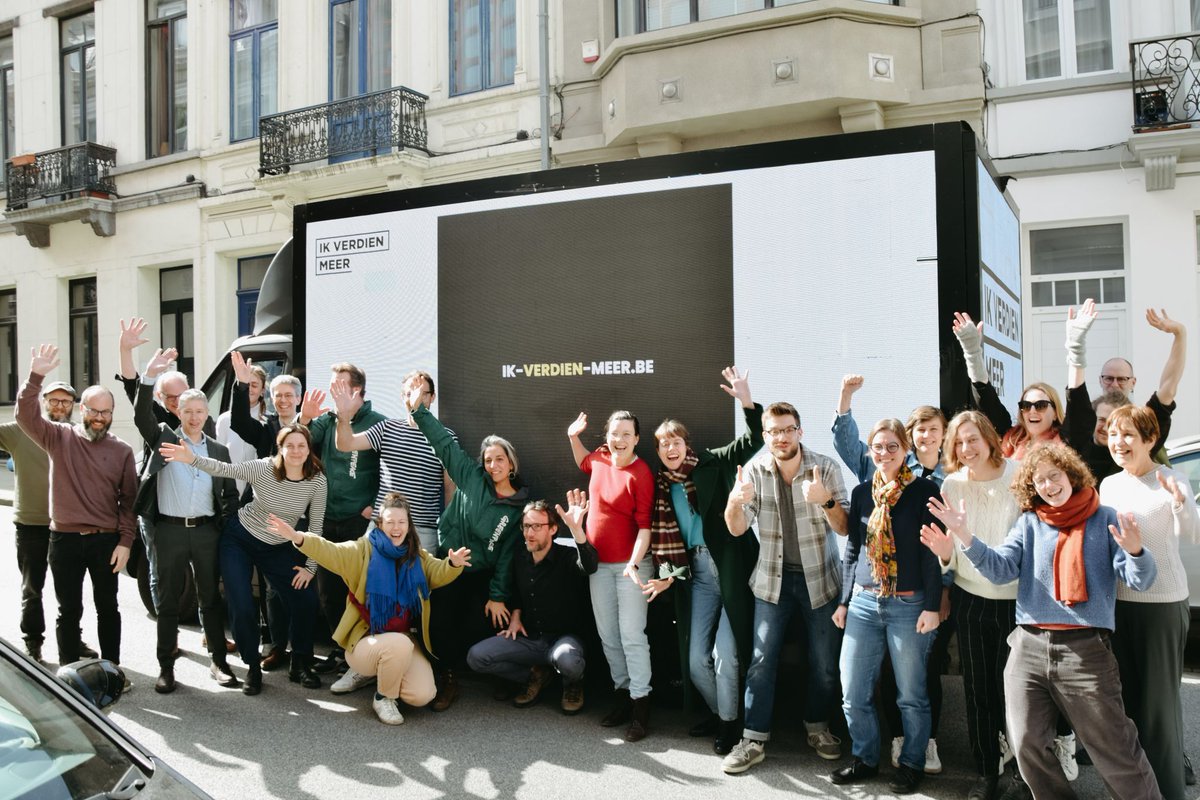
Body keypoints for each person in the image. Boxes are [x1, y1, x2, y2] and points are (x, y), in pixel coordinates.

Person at [921, 442, 1162, 800]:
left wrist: (1136, 551)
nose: (1049, 485)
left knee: (1114, 748)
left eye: (1054, 475)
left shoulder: (1105, 517)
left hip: (1085, 651)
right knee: (1026, 743)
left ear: (1071, 474)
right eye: (1040, 481)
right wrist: (965, 535)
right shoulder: (1030, 522)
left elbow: (1140, 579)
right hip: (1029, 646)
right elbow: (1001, 570)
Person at [361, 379, 526, 712]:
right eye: (488, 459)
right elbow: (444, 445)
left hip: (481, 575)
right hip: (449, 565)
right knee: (437, 622)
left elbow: (508, 555)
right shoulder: (471, 478)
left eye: (500, 459)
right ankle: (447, 677)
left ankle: (503, 675)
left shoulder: (520, 505)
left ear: (512, 463)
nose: (493, 465)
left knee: (485, 621)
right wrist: (419, 410)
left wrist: (497, 595)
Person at [832, 374, 953, 774]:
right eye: (878, 447)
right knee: (853, 693)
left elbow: (933, 557)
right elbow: (853, 549)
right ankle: (865, 758)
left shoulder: (924, 492)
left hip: (909, 605)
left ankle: (913, 762)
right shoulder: (862, 493)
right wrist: (845, 602)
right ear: (871, 451)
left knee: (911, 696)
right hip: (865, 603)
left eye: (892, 446)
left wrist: (933, 607)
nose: (884, 453)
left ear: (905, 450)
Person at [266, 492, 470, 725]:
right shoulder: (363, 551)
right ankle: (383, 697)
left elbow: (438, 571)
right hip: (366, 638)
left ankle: (382, 672)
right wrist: (297, 537)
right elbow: (330, 551)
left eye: (402, 522)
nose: (396, 527)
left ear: (408, 524)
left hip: (401, 639)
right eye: (390, 521)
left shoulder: (416, 556)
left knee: (421, 695)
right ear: (380, 524)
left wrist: (453, 564)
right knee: (399, 644)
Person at [721, 400, 847, 773]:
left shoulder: (825, 467)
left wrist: (824, 500)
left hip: (820, 580)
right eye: (774, 431)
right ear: (765, 435)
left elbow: (843, 527)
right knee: (760, 661)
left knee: (825, 666)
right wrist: (734, 502)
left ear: (800, 431)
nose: (781, 437)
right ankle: (753, 739)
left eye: (788, 429)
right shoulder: (756, 471)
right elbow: (737, 528)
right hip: (772, 582)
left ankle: (817, 727)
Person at [159, 423, 327, 696]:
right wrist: (192, 459)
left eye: (302, 446)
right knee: (242, 604)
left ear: (309, 449)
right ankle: (252, 667)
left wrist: (310, 568)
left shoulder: (317, 479)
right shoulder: (263, 467)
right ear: (280, 449)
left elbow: (316, 527)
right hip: (241, 540)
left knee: (305, 598)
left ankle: (300, 662)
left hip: (277, 545)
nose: (296, 451)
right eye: (290, 446)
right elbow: (225, 469)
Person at [645, 366, 761, 756]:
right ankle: (723, 714)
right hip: (696, 574)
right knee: (695, 661)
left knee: (725, 656)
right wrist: (668, 574)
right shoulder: (661, 487)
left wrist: (746, 401)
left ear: (686, 443)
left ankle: (732, 726)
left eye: (675, 441)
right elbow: (667, 540)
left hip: (730, 570)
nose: (670, 448)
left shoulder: (713, 463)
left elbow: (753, 439)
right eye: (663, 445)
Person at [15, 344, 138, 667]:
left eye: (106, 413)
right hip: (64, 540)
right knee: (68, 610)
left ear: (112, 413)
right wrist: (36, 376)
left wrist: (125, 542)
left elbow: (129, 502)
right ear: (82, 409)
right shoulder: (59, 437)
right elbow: (24, 415)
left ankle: (112, 670)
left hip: (106, 541)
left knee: (108, 608)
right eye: (94, 411)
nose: (99, 419)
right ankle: (70, 676)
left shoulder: (122, 451)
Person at [1100, 405, 1198, 800]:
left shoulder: (1170, 479)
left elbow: (1191, 532)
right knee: (1127, 709)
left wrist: (1180, 504)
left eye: (1128, 436)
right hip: (1119, 606)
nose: (1119, 443)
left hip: (1162, 606)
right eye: (1112, 435)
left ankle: (1170, 790)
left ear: (1150, 440)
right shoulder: (1108, 485)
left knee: (1158, 712)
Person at [132, 347, 241, 693]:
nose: (194, 416)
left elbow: (229, 497)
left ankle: (220, 664)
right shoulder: (163, 437)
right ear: (177, 410)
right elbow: (140, 417)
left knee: (210, 600)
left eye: (199, 410)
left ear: (208, 413)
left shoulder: (219, 451)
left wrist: (225, 529)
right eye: (187, 410)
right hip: (169, 531)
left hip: (206, 532)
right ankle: (166, 667)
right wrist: (149, 376)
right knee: (167, 602)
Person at [935, 411, 1021, 800]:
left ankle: (1023, 774)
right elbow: (951, 551)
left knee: (1019, 694)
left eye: (972, 439)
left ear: (989, 439)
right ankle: (986, 771)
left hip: (1017, 604)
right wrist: (943, 557)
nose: (966, 448)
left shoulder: (1018, 476)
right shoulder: (951, 485)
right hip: (970, 600)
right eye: (958, 442)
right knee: (978, 691)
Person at [568, 409, 655, 742]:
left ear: (636, 439)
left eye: (626, 435)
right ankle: (622, 696)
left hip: (631, 567)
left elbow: (645, 529)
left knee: (632, 635)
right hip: (598, 566)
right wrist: (573, 436)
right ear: (607, 437)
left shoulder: (641, 473)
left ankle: (641, 705)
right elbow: (583, 463)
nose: (618, 440)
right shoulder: (601, 459)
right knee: (608, 636)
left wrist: (633, 562)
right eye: (614, 433)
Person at [467, 493, 598, 713]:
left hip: (565, 640)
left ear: (553, 529)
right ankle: (536, 676)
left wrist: (577, 530)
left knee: (566, 660)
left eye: (537, 526)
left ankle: (571, 683)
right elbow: (516, 591)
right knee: (477, 657)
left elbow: (590, 566)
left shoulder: (566, 556)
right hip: (532, 640)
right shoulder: (520, 557)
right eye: (526, 526)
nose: (529, 533)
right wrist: (516, 614)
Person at [0, 378, 98, 663]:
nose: (59, 406)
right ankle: (33, 643)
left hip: (69, 526)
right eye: (53, 400)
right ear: (43, 403)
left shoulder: (81, 434)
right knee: (33, 588)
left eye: (65, 401)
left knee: (70, 591)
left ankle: (72, 639)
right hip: (31, 524)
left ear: (73, 406)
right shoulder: (20, 431)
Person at [297, 363, 385, 676]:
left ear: (356, 391)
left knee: (358, 591)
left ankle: (365, 657)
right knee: (328, 592)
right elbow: (298, 444)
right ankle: (343, 651)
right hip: (325, 519)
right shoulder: (328, 420)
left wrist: (374, 507)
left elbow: (392, 469)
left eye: (339, 385)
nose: (333, 390)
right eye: (331, 384)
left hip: (357, 523)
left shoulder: (378, 422)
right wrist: (305, 417)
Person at [227, 351, 303, 671]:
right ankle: (275, 646)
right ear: (271, 399)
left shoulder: (314, 427)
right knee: (272, 588)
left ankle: (302, 653)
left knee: (300, 584)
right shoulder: (265, 427)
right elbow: (238, 422)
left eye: (288, 395)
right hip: (267, 520)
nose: (283, 401)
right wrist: (242, 386)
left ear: (298, 399)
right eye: (278, 396)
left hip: (302, 520)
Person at [332, 369, 455, 558]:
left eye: (422, 393)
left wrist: (449, 530)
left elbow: (449, 487)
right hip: (382, 525)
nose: (415, 399)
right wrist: (343, 416)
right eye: (410, 393)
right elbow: (345, 444)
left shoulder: (445, 437)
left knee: (417, 588)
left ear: (433, 397)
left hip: (421, 530)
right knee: (370, 585)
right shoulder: (387, 428)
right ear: (402, 397)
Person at [1062, 301, 1185, 481]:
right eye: (1102, 420)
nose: (1106, 428)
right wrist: (1075, 346)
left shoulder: (1141, 438)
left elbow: (1168, 389)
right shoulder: (1080, 444)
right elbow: (1076, 396)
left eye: (1118, 426)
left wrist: (1180, 333)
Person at [953, 312, 1063, 459]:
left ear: (1055, 412)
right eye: (1025, 405)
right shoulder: (1010, 438)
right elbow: (985, 396)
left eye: (1041, 405)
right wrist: (972, 352)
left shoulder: (1067, 442)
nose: (1032, 410)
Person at [216, 361, 269, 495]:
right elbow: (218, 458)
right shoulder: (224, 420)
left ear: (262, 391)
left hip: (258, 497)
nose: (249, 389)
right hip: (230, 494)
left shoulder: (269, 422)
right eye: (246, 384)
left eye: (255, 385)